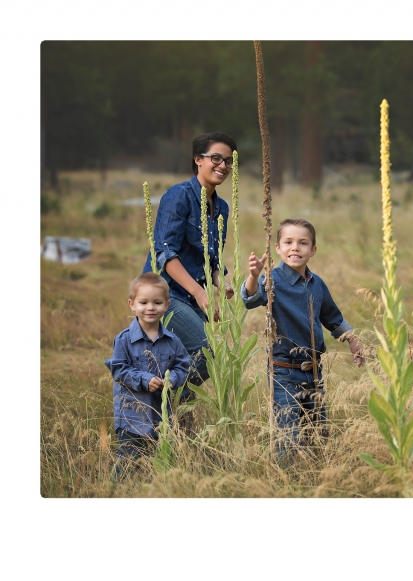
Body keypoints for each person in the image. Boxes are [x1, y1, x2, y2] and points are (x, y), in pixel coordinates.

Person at [242, 218, 365, 460]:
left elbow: (332, 317)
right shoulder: (272, 279)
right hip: (284, 370)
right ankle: (286, 480)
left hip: (314, 371)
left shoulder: (317, 284)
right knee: (287, 433)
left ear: (313, 250)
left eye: (303, 243)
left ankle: (313, 477)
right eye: (288, 242)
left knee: (317, 432)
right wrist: (254, 276)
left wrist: (352, 339)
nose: (295, 248)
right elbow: (250, 299)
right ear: (277, 248)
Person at [142, 132, 238, 399]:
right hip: (165, 292)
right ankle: (157, 400)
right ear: (198, 160)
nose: (223, 166)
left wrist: (222, 285)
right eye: (216, 158)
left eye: (228, 161)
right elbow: (165, 255)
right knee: (206, 354)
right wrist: (200, 293)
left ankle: (173, 416)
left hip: (191, 296)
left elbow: (212, 259)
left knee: (193, 357)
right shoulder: (179, 196)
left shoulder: (222, 208)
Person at [105, 273, 191, 476]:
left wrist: (172, 381)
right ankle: (117, 491)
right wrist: (144, 380)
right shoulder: (124, 340)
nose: (150, 308)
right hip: (131, 416)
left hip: (161, 416)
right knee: (128, 461)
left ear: (167, 305)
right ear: (132, 304)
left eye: (157, 302)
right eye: (143, 302)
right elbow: (118, 368)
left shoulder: (173, 341)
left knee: (156, 463)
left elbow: (183, 366)